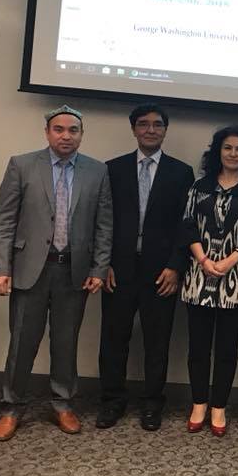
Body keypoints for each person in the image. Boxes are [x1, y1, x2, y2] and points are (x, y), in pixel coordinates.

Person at [0, 105, 113, 442]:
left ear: (81, 135)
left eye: (73, 130)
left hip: (73, 271)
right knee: (22, 342)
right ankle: (11, 407)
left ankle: (62, 404)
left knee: (65, 342)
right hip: (30, 269)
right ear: (47, 133)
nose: (66, 136)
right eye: (59, 129)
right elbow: (4, 220)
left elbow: (104, 225)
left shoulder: (97, 171)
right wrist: (0, 268)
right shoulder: (22, 165)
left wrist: (99, 267)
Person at [97, 104, 194, 431]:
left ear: (165, 130)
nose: (150, 130)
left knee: (157, 341)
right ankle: (112, 400)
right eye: (143, 124)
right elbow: (103, 221)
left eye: (157, 125)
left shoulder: (181, 173)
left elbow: (186, 224)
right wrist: (104, 263)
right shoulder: (113, 169)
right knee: (113, 339)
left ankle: (152, 403)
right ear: (134, 129)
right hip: (119, 268)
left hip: (161, 272)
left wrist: (176, 267)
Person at [180, 125, 238, 437]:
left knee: (227, 348)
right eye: (228, 147)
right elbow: (187, 225)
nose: (233, 154)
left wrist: (229, 262)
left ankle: (219, 407)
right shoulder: (199, 186)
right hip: (198, 277)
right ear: (218, 151)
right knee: (198, 346)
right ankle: (199, 404)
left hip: (236, 281)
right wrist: (204, 260)